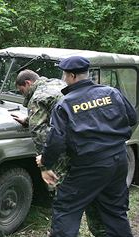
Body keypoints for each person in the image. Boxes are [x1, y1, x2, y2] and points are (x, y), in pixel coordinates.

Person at [41, 56, 136, 237]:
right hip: (119, 159)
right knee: (115, 211)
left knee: (66, 208)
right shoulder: (111, 92)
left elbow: (56, 140)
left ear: (72, 76)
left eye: (64, 75)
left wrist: (46, 164)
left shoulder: (65, 103)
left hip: (89, 165)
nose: (63, 78)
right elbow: (132, 118)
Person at [11, 69, 106, 236]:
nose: (22, 94)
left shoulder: (38, 96)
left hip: (67, 153)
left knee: (64, 200)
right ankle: (102, 231)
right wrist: (29, 119)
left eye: (21, 90)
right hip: (92, 148)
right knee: (94, 196)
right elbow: (58, 111)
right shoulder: (58, 83)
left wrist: (45, 164)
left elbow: (40, 134)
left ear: (27, 83)